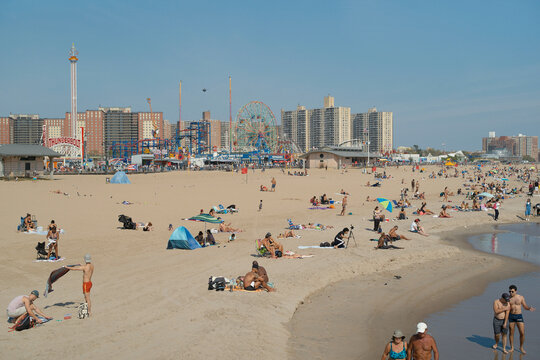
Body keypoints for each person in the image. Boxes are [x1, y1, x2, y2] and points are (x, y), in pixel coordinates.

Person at [507, 284, 535, 354]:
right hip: (511, 316)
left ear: (516, 291)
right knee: (511, 333)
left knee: (522, 333)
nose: (511, 293)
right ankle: (512, 347)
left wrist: (529, 308)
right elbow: (506, 308)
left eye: (512, 291)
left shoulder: (520, 297)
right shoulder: (508, 298)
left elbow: (525, 306)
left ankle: (521, 347)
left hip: (519, 316)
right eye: (509, 291)